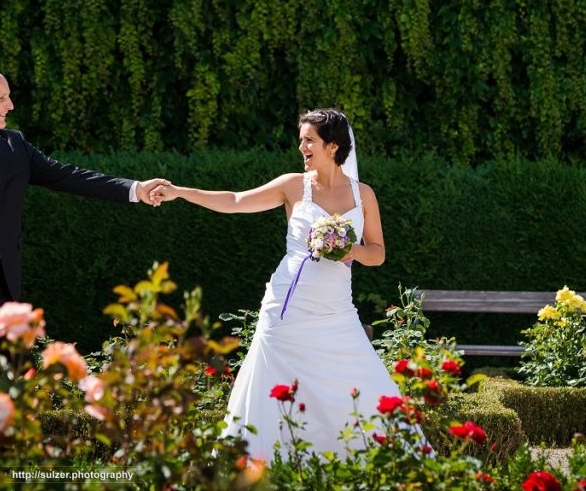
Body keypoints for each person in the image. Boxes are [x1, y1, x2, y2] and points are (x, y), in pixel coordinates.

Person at [150, 108, 405, 461]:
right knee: (270, 387)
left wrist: (351, 249)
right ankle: (257, 468)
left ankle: (365, 464)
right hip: (288, 308)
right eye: (301, 140)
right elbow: (236, 201)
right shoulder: (292, 185)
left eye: (309, 140)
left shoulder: (364, 195)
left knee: (360, 383)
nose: (302, 146)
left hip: (337, 312)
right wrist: (181, 192)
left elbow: (377, 254)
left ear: (332, 146)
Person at [0, 68, 163, 375]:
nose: (10, 105)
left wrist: (134, 189)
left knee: (17, 378)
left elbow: (67, 175)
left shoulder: (15, 146)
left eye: (9, 97)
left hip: (5, 283)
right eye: (1, 98)